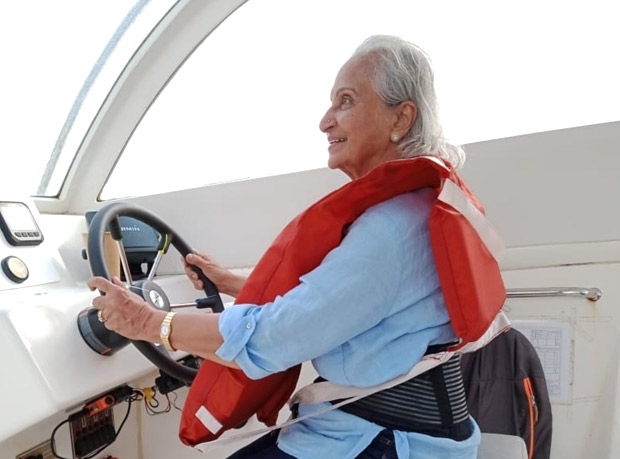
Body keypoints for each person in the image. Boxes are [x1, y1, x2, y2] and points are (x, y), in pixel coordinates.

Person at [87, 35, 481, 458]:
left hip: (383, 440)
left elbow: (274, 339)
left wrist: (150, 323)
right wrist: (233, 283)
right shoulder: (415, 210)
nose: (325, 121)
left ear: (400, 118)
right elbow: (337, 302)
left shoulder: (389, 229)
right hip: (395, 427)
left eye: (345, 102)